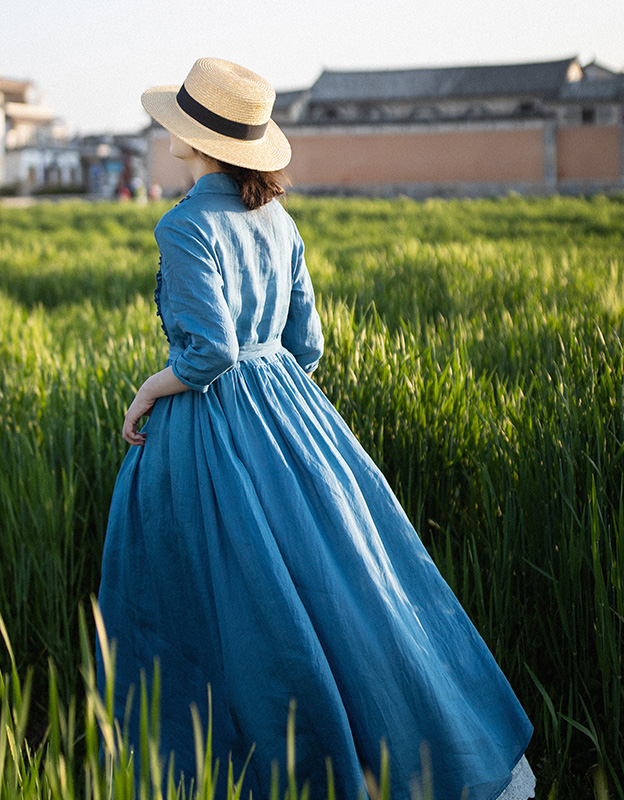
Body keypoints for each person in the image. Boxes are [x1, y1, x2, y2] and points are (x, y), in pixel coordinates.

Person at [97, 57, 535, 800]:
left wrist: (147, 389)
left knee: (210, 605)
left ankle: (216, 770)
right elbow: (308, 348)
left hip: (211, 428)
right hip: (293, 413)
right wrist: (276, 401)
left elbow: (208, 354)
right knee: (351, 588)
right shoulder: (279, 218)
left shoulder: (183, 225)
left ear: (196, 139)